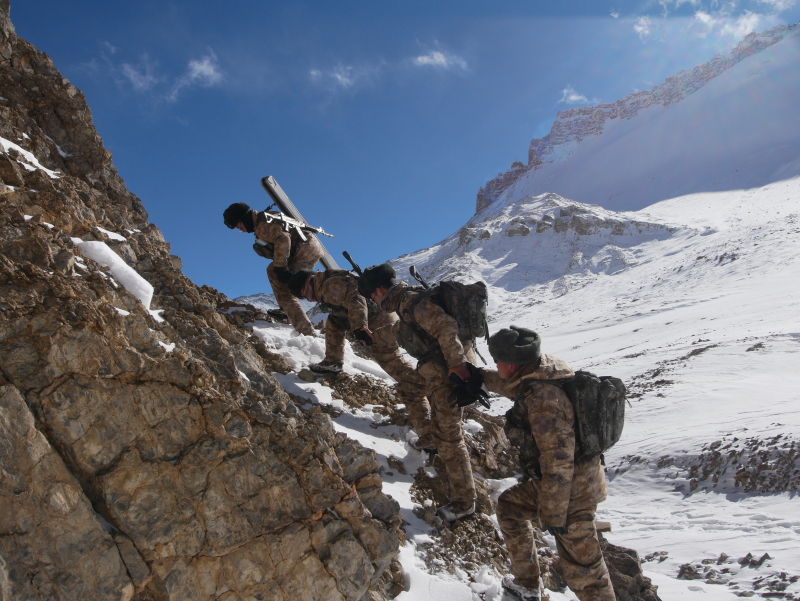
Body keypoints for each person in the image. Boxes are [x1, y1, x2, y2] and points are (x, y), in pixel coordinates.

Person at [481, 326, 615, 601]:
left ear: (511, 363)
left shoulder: (543, 401)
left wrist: (554, 514)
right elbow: (512, 386)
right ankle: (527, 584)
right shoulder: (545, 370)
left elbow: (558, 459)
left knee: (585, 572)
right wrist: (477, 377)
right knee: (510, 507)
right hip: (571, 481)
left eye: (496, 361)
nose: (495, 364)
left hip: (571, 491)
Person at [361, 263, 477, 522]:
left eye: (372, 296)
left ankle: (464, 503)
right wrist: (373, 337)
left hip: (449, 373)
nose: (373, 301)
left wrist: (458, 364)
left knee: (450, 438)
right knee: (410, 389)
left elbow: (445, 326)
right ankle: (428, 436)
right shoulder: (404, 305)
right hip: (435, 372)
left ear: (380, 290)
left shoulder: (412, 302)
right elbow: (400, 332)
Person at [289, 268, 435, 449]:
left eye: (307, 293)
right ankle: (333, 362)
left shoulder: (328, 286)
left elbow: (355, 299)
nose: (310, 299)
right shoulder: (326, 281)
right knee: (334, 321)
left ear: (310, 281)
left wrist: (359, 327)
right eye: (304, 297)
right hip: (375, 315)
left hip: (378, 321)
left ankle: (429, 427)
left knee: (399, 370)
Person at [223, 202, 322, 336]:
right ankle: (286, 310)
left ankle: (306, 331)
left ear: (243, 219)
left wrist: (281, 267)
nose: (243, 231)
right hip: (306, 247)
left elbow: (283, 238)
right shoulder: (265, 218)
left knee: (286, 286)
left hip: (303, 251)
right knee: (273, 271)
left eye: (239, 226)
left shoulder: (262, 225)